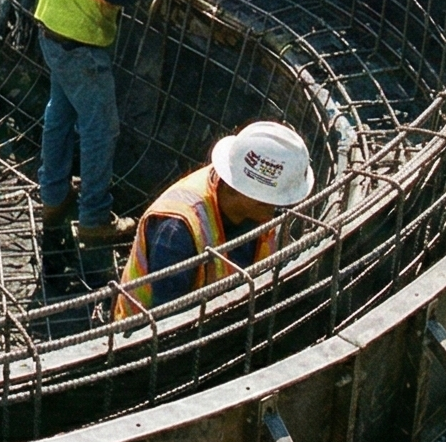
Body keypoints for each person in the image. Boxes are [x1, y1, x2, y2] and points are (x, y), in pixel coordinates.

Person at [33, 0, 191, 243]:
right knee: (100, 130)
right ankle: (94, 220)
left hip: (52, 29)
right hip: (82, 45)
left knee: (59, 117)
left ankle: (52, 198)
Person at [116, 122, 314, 314]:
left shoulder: (252, 208)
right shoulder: (177, 230)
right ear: (237, 189)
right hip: (149, 338)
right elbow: (168, 319)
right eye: (268, 200)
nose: (278, 206)